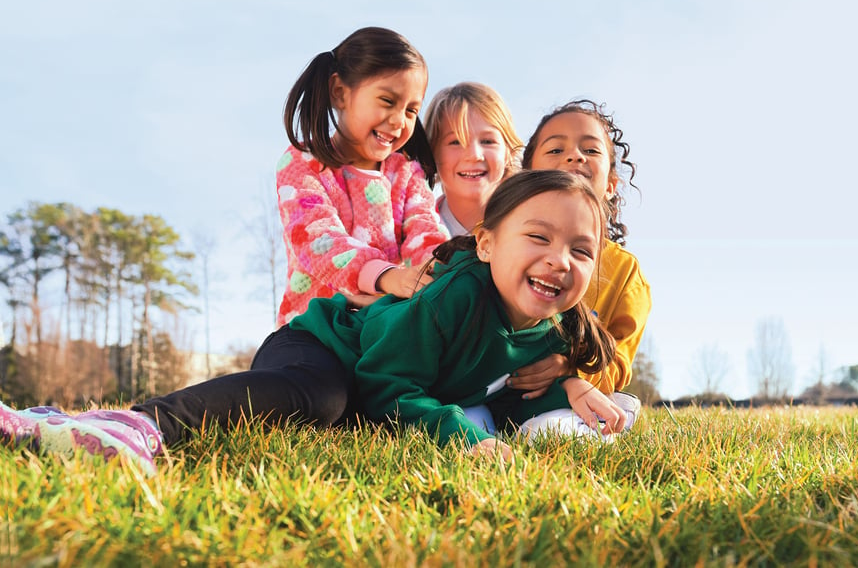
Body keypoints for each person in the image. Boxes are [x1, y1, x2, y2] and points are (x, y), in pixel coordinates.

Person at [0, 170, 627, 471]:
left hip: (366, 381)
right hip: (320, 346)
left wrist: (566, 403)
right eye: (537, 236)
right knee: (321, 399)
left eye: (580, 249)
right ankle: (140, 425)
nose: (558, 260)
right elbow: (385, 390)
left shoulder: (550, 334)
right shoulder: (454, 297)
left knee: (337, 412)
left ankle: (57, 418)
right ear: (487, 243)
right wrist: (470, 440)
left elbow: (504, 393)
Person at [276, 26, 448, 326]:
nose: (398, 121)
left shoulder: (406, 173)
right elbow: (319, 241)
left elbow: (425, 231)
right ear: (340, 93)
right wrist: (385, 276)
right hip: (314, 329)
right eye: (387, 101)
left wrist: (445, 267)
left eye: (411, 110)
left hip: (381, 326)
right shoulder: (303, 164)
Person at [506, 99, 651, 429]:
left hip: (570, 396)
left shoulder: (625, 274)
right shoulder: (500, 243)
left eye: (591, 150)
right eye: (556, 150)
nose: (574, 156)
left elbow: (618, 361)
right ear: (526, 176)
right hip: (495, 384)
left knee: (559, 428)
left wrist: (568, 367)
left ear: (612, 185)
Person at [422, 82, 522, 235]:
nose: (474, 155)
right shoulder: (413, 235)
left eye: (487, 141)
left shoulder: (532, 226)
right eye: (456, 142)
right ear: (432, 153)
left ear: (508, 151)